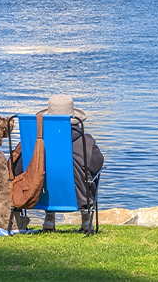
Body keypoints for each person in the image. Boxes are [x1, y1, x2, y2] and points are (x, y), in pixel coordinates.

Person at [13, 94, 104, 232]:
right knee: (87, 175)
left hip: (37, 193)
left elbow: (17, 167)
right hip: (77, 196)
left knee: (43, 172)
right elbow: (97, 165)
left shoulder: (33, 142)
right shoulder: (85, 141)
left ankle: (49, 220)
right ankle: (86, 222)